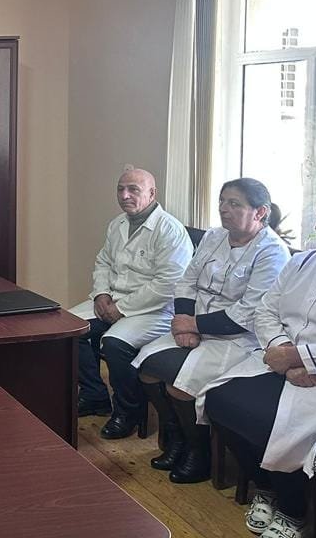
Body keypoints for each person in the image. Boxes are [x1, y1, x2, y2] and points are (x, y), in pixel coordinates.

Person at [133, 179, 290, 484]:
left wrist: (194, 325)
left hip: (238, 339)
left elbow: (249, 313)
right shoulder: (214, 236)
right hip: (193, 324)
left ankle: (199, 452)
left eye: (234, 204)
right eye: (222, 201)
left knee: (180, 387)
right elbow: (187, 281)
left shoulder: (272, 252)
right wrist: (184, 319)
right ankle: (175, 439)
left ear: (260, 212)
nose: (223, 209)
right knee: (147, 367)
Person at [203, 246, 316, 538]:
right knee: (218, 401)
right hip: (279, 357)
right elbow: (266, 310)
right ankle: (265, 485)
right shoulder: (301, 260)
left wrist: (300, 357)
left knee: (273, 424)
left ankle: (293, 510)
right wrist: (283, 350)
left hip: (314, 377)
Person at [70, 167, 193, 439]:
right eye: (120, 189)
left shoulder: (169, 230)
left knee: (114, 344)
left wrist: (122, 309)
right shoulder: (118, 224)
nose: (125, 195)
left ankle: (128, 412)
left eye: (133, 190)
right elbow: (103, 262)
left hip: (154, 310)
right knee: (68, 328)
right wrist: (102, 294)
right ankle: (94, 395)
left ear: (152, 193)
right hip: (112, 299)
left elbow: (168, 284)